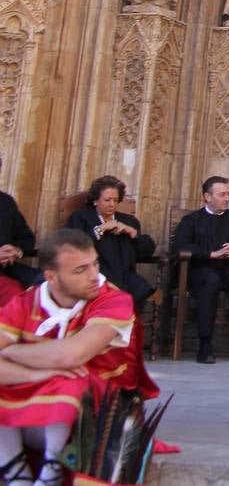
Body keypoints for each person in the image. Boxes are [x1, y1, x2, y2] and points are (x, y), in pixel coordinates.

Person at [0, 230, 158, 486]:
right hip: (35, 405)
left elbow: (73, 354)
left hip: (95, 411)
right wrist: (35, 374)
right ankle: (16, 471)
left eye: (95, 264)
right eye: (80, 270)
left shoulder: (113, 300)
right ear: (51, 277)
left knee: (70, 379)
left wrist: (9, 351)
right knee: (56, 378)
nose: (94, 275)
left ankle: (51, 471)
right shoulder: (25, 302)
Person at [170, 176, 229, 364]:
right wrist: (212, 254)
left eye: (228, 194)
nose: (227, 198)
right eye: (222, 194)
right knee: (210, 281)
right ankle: (205, 345)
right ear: (207, 196)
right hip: (202, 268)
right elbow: (179, 247)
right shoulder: (191, 220)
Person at [64, 176, 156, 312]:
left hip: (124, 275)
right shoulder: (81, 218)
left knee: (139, 287)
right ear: (95, 200)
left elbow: (146, 253)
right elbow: (74, 247)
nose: (112, 204)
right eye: (107, 200)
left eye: (115, 200)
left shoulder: (129, 221)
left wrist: (133, 233)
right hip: (97, 275)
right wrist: (101, 229)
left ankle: (127, 329)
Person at [0, 168, 38, 308]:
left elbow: (27, 238)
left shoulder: (6, 202)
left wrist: (16, 250)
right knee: (14, 298)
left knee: (48, 285)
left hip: (9, 268)